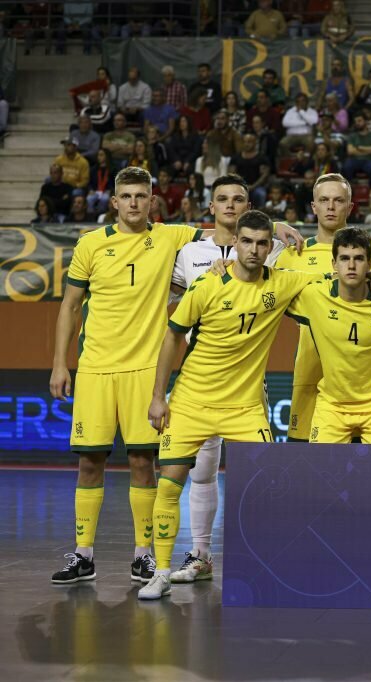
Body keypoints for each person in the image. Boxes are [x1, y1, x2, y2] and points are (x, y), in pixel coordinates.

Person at [137, 211, 322, 600]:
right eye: (247, 242)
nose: (254, 250)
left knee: (268, 488)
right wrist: (158, 396)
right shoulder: (206, 285)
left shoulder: (285, 284)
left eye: (262, 243)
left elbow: (337, 282)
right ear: (234, 243)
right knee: (169, 485)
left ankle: (264, 566)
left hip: (244, 407)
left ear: (270, 247)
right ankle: (163, 572)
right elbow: (172, 338)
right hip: (191, 401)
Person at [48, 167, 205, 586]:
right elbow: (70, 306)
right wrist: (60, 363)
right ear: (113, 202)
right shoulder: (90, 245)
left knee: (142, 462)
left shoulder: (172, 237)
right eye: (126, 196)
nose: (134, 203)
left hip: (145, 370)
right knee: (89, 462)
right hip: (96, 368)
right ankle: (83, 555)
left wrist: (279, 225)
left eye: (142, 195)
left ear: (152, 200)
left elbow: (224, 234)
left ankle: (143, 556)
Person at [274, 174, 371, 442]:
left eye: (339, 201)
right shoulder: (293, 254)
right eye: (324, 200)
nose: (331, 207)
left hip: (367, 387)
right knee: (309, 468)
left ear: (350, 207)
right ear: (313, 206)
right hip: (311, 372)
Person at [286, 227, 371, 445]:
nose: (351, 266)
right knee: (322, 476)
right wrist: (228, 265)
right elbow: (269, 282)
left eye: (359, 259)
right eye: (344, 259)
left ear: (370, 264)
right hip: (333, 405)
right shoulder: (314, 296)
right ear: (334, 264)